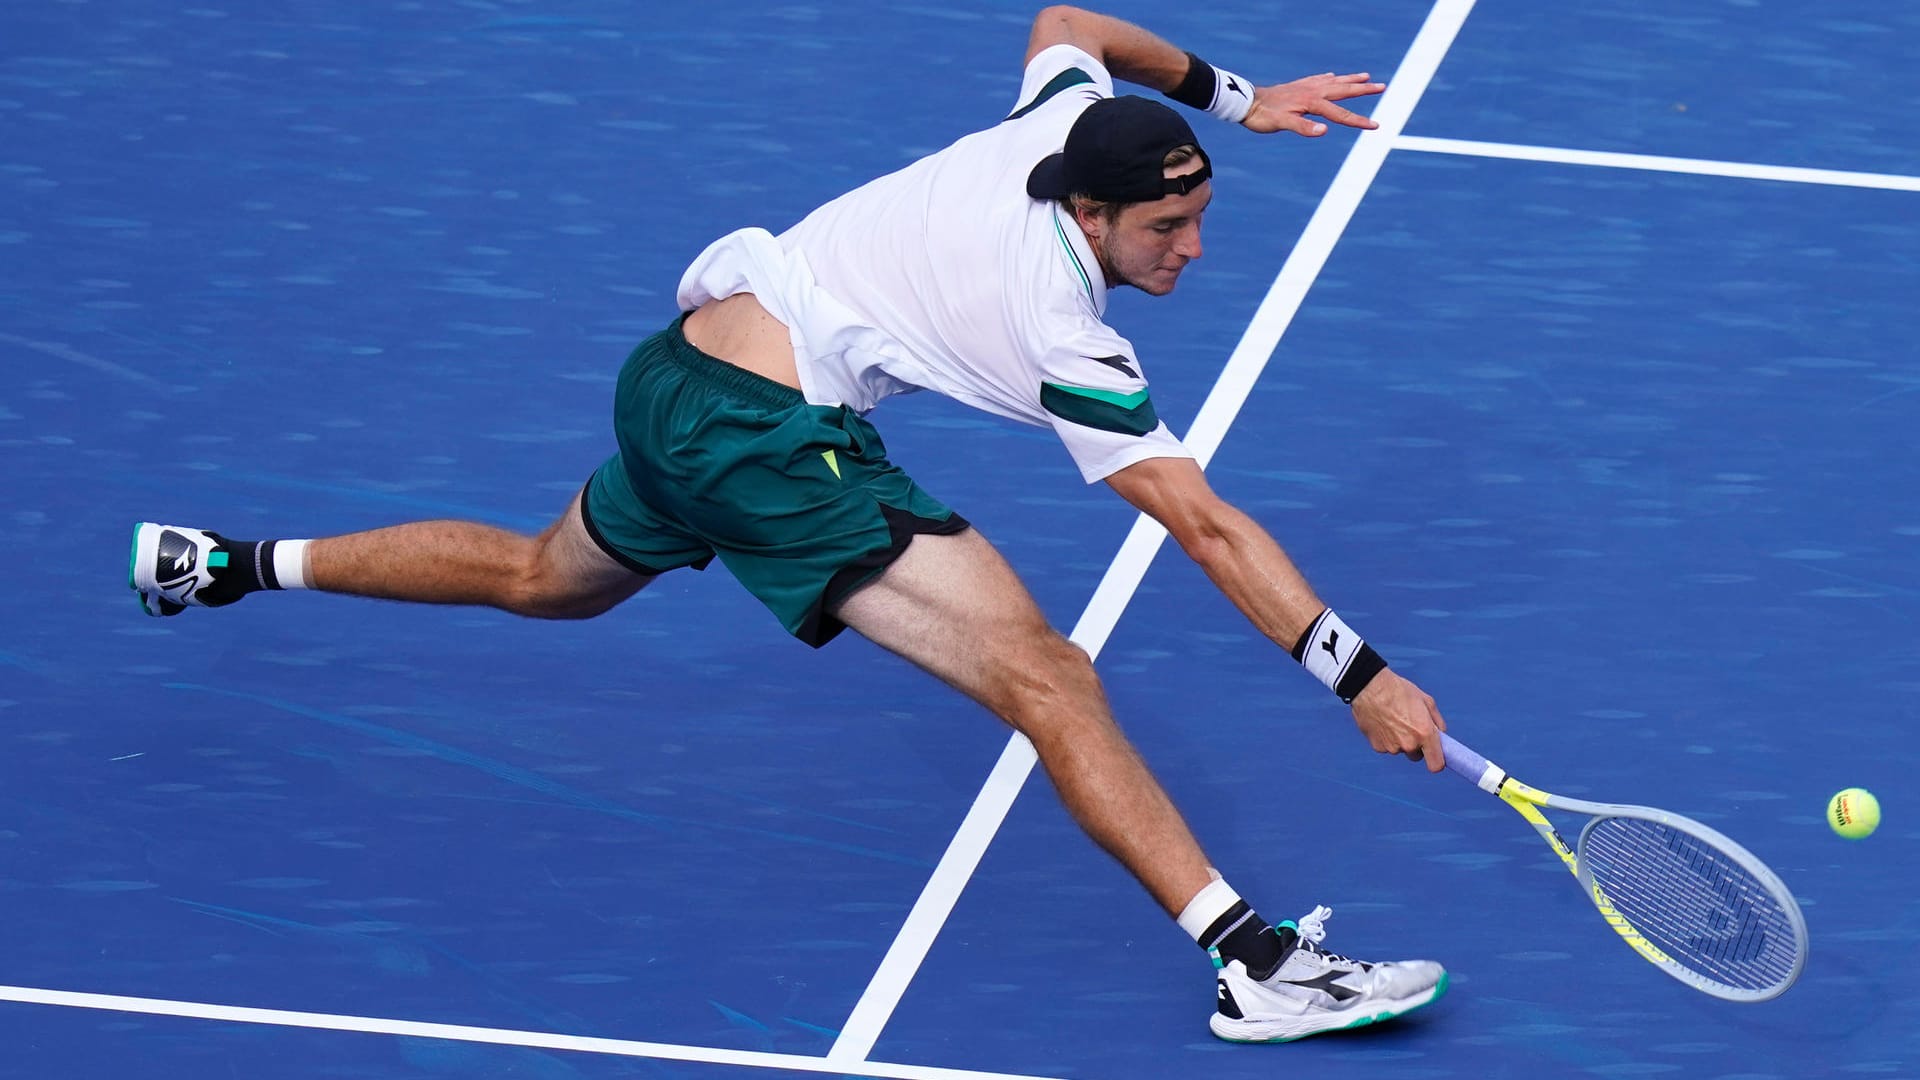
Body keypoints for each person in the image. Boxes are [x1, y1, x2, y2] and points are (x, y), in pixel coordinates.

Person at [130, 5, 1452, 1043]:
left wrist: (1234, 101)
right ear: (1086, 213)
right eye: (1169, 226)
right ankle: (1258, 968)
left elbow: (1069, 25)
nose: (1194, 252)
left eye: (1204, 215)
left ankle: (224, 565)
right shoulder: (1059, 331)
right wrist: (1361, 678)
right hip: (768, 444)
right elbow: (1205, 527)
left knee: (547, 578)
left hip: (675, 381)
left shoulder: (1054, 127)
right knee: (1051, 680)